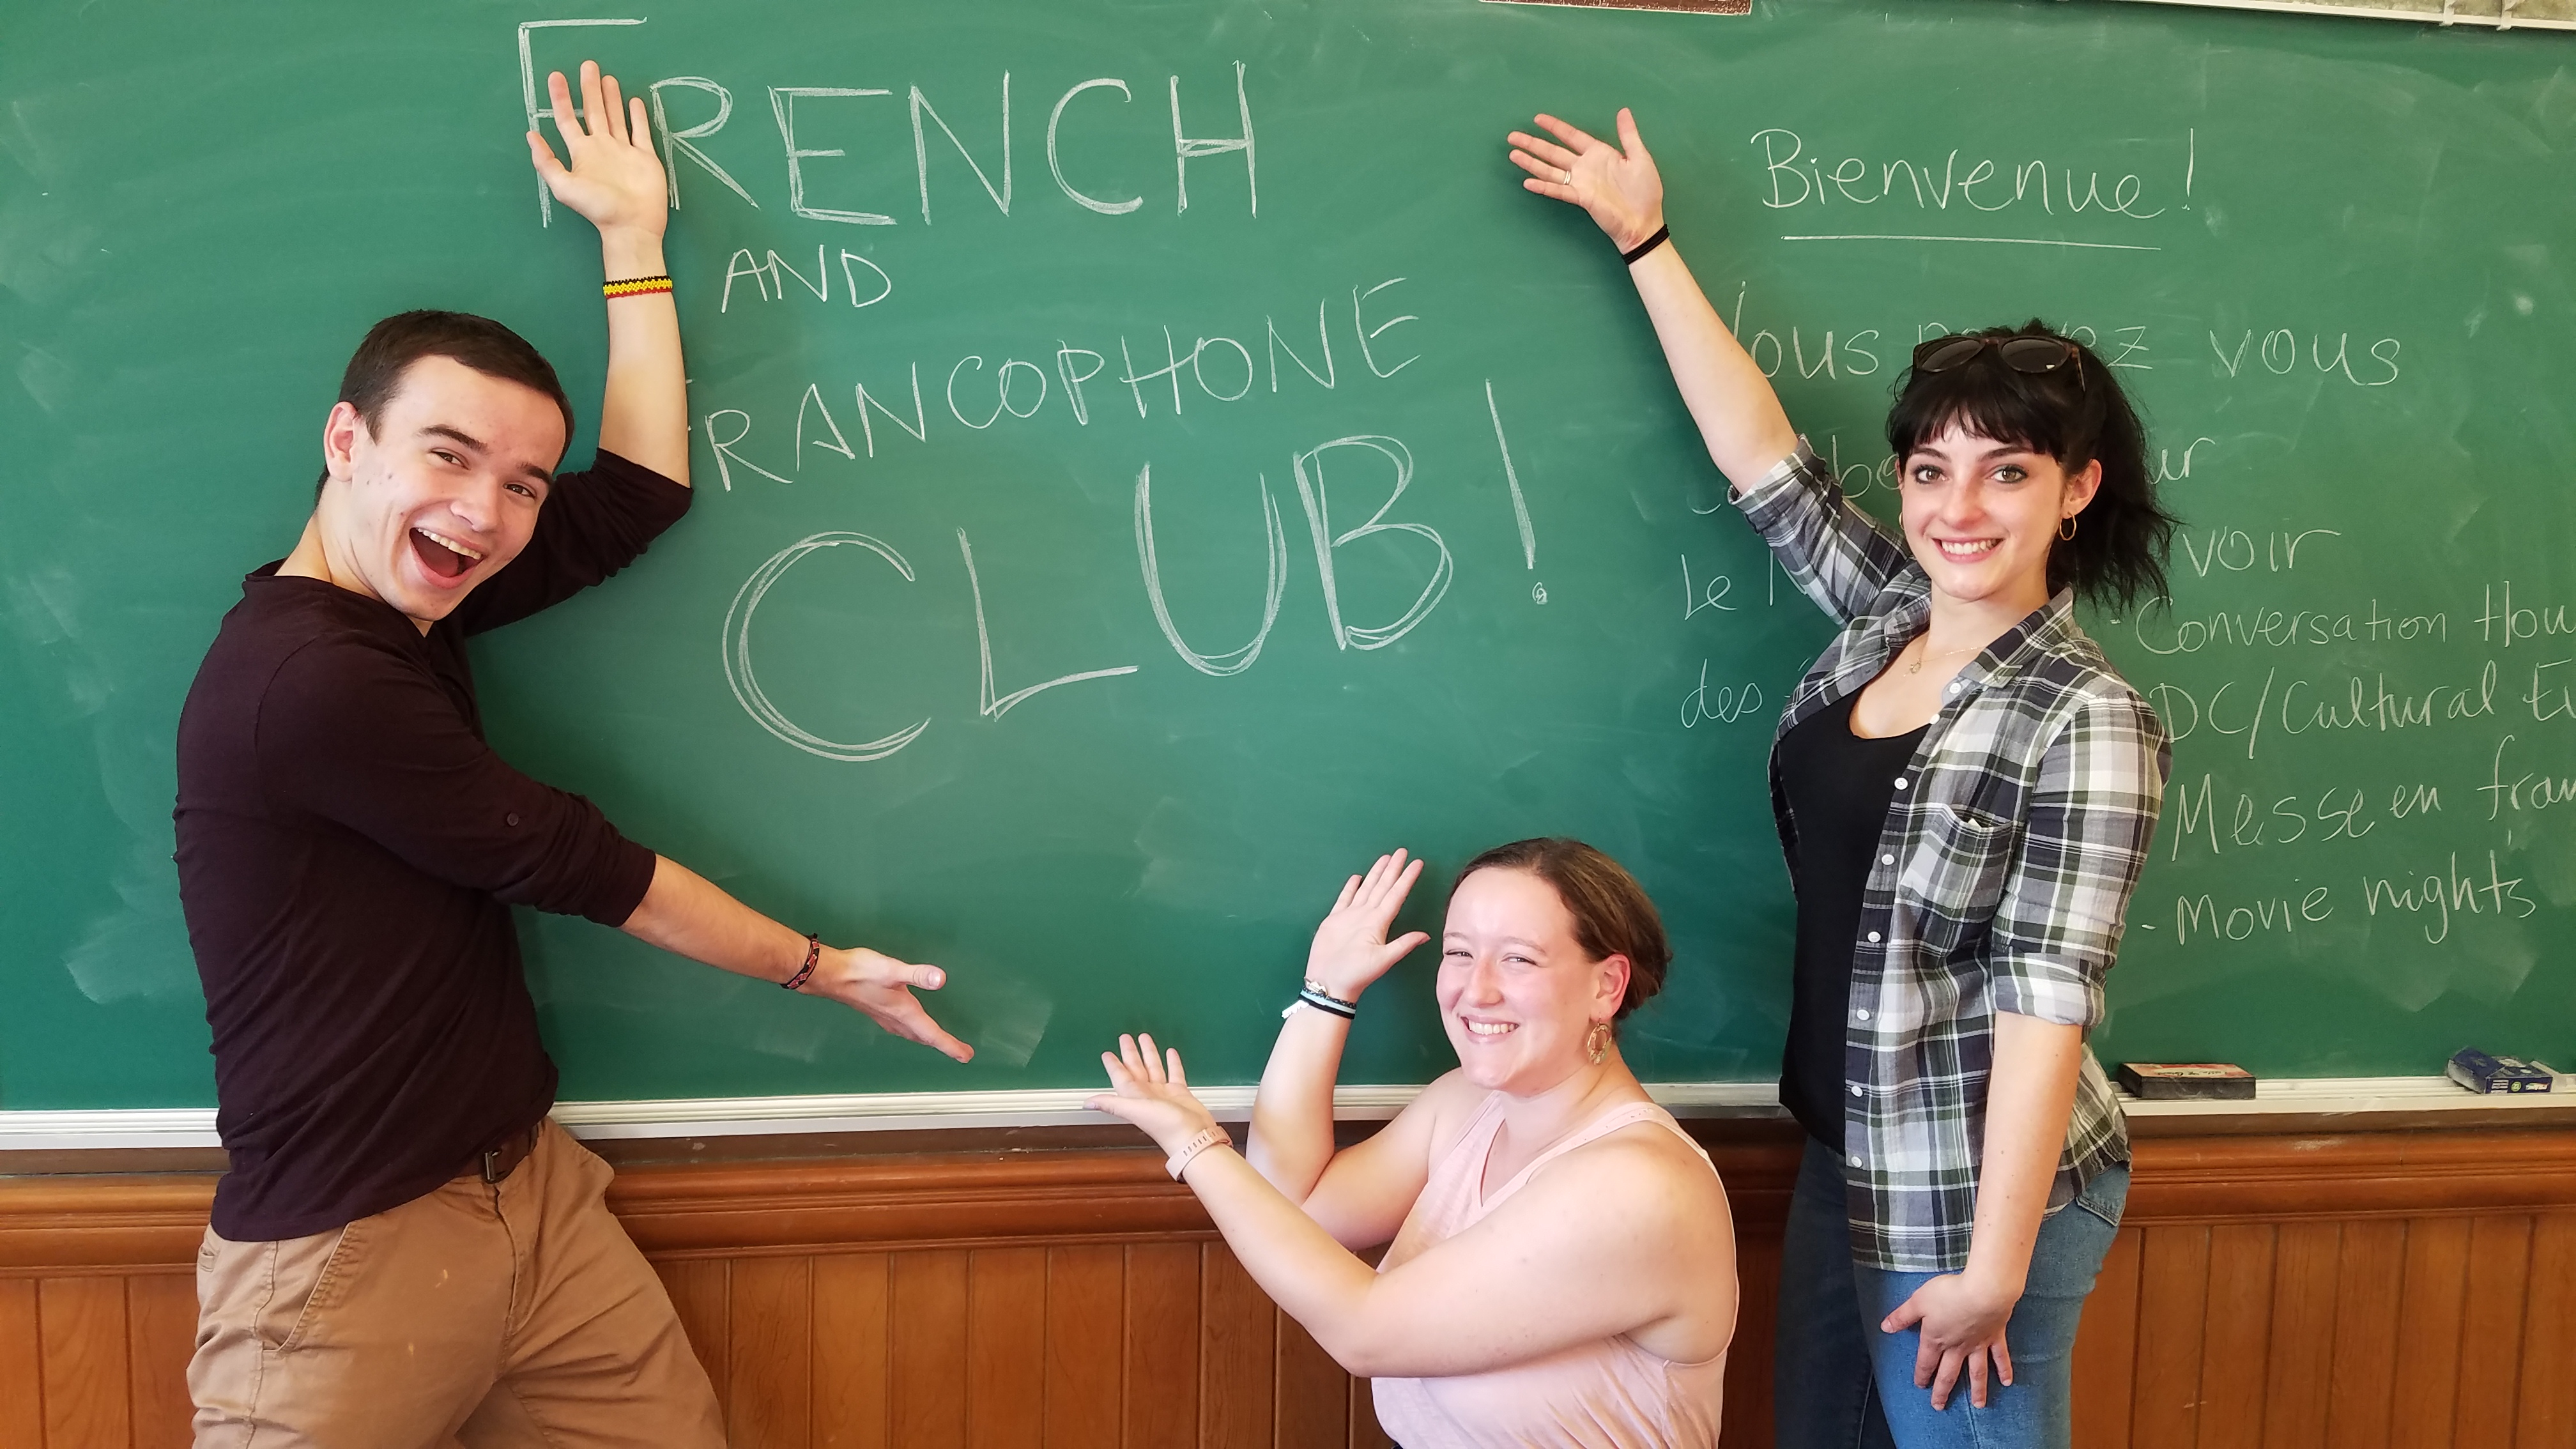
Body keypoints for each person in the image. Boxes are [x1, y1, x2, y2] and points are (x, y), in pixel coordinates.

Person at [172, 62, 970, 1448]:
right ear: (345, 441)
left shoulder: (407, 614)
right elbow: (591, 868)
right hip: (347, 1254)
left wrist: (632, 241)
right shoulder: (309, 681)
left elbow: (641, 494)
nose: (484, 514)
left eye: (522, 483)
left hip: (528, 1197)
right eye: (449, 455)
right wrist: (820, 967)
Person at [1506, 111, 2175, 1448]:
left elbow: (2045, 1010)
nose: (1959, 508)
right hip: (1847, 1150)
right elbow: (1765, 464)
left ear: (2078, 489)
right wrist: (1645, 240)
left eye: (2008, 472)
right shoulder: (1890, 618)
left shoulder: (2087, 719)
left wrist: (1990, 1273)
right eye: (1932, 469)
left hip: (1990, 1194)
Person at [1090, 843, 1738, 1448]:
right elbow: (1295, 1201)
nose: (1475, 990)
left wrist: (1195, 1145)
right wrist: (1327, 992)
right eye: (1459, 953)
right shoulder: (1468, 1104)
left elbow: (1365, 1332)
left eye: (1519, 958)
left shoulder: (1639, 1186)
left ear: (1607, 985)